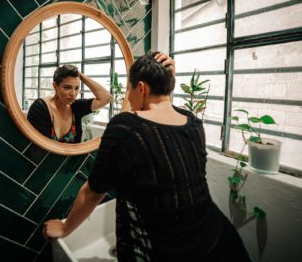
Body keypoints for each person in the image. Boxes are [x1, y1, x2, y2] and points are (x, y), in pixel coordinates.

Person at [43, 52, 251, 261]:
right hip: (223, 243)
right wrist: (165, 80)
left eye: (128, 91)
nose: (128, 98)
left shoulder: (125, 126)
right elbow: (165, 118)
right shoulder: (193, 123)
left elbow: (91, 193)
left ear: (141, 88)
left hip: (170, 253)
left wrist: (64, 228)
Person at [27, 64, 112, 143]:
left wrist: (80, 75)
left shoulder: (76, 106)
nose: (73, 94)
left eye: (76, 88)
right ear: (55, 86)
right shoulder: (40, 107)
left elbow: (106, 98)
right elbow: (39, 148)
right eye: (67, 87)